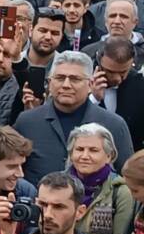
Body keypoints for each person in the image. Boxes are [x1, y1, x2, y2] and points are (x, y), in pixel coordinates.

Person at [14, 51, 133, 183]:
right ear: (49, 82)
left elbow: (128, 177)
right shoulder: (26, 122)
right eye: (59, 78)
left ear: (90, 84)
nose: (66, 85)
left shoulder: (113, 125)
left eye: (75, 79)